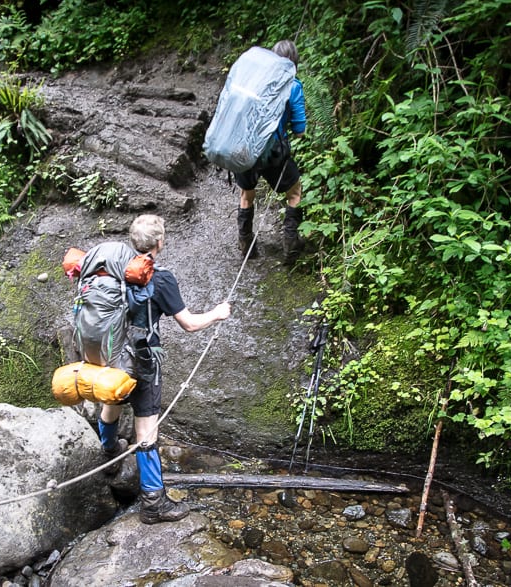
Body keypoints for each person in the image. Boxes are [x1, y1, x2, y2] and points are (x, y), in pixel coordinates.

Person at [97, 214, 232, 524]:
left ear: (133, 242)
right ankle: (154, 503)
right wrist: (217, 313)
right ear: (159, 243)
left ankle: (108, 456)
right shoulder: (161, 278)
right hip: (143, 359)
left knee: (111, 401)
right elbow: (188, 324)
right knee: (146, 429)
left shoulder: (113, 270)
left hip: (112, 353)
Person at [235, 39, 307, 265]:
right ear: (294, 62)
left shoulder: (253, 81)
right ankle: (290, 246)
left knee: (247, 193)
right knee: (294, 192)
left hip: (244, 148)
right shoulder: (293, 86)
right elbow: (299, 130)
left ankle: (246, 244)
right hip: (272, 152)